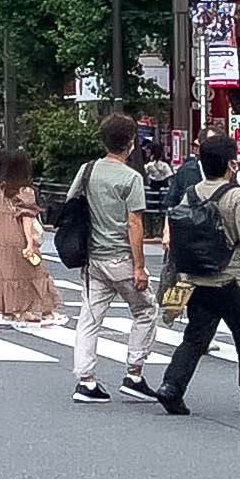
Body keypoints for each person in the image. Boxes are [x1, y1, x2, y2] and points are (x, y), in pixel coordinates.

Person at [154, 135, 240, 415]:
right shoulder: (237, 195)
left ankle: (171, 387)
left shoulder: (192, 192)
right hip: (234, 280)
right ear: (230, 165)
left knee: (194, 339)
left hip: (198, 280)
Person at [62, 119, 159, 405]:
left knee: (90, 318)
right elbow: (135, 223)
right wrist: (139, 266)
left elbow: (72, 203)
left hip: (92, 258)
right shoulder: (131, 178)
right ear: (130, 143)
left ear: (104, 141)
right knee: (145, 310)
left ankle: (86, 380)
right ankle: (134, 373)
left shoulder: (87, 170)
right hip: (122, 258)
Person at [0, 154, 59, 327]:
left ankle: (11, 310)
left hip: (0, 237)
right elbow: (26, 219)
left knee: (3, 274)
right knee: (33, 272)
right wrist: (30, 243)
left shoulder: (3, 189)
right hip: (17, 237)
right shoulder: (25, 191)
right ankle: (36, 310)